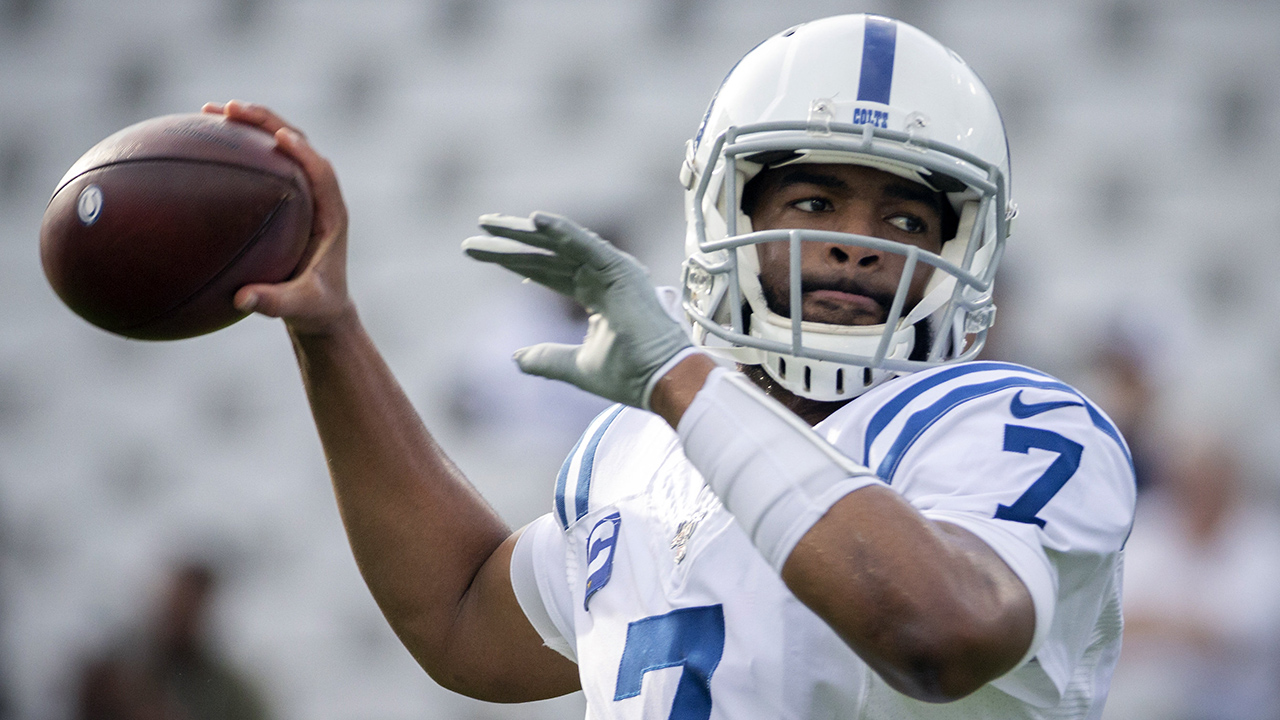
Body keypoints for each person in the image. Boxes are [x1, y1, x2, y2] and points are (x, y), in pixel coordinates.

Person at [203, 13, 1135, 718]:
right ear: (729, 213)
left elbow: (942, 632)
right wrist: (330, 334)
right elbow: (460, 619)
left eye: (904, 220)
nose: (859, 244)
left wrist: (682, 382)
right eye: (814, 201)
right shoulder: (632, 450)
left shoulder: (1011, 420)